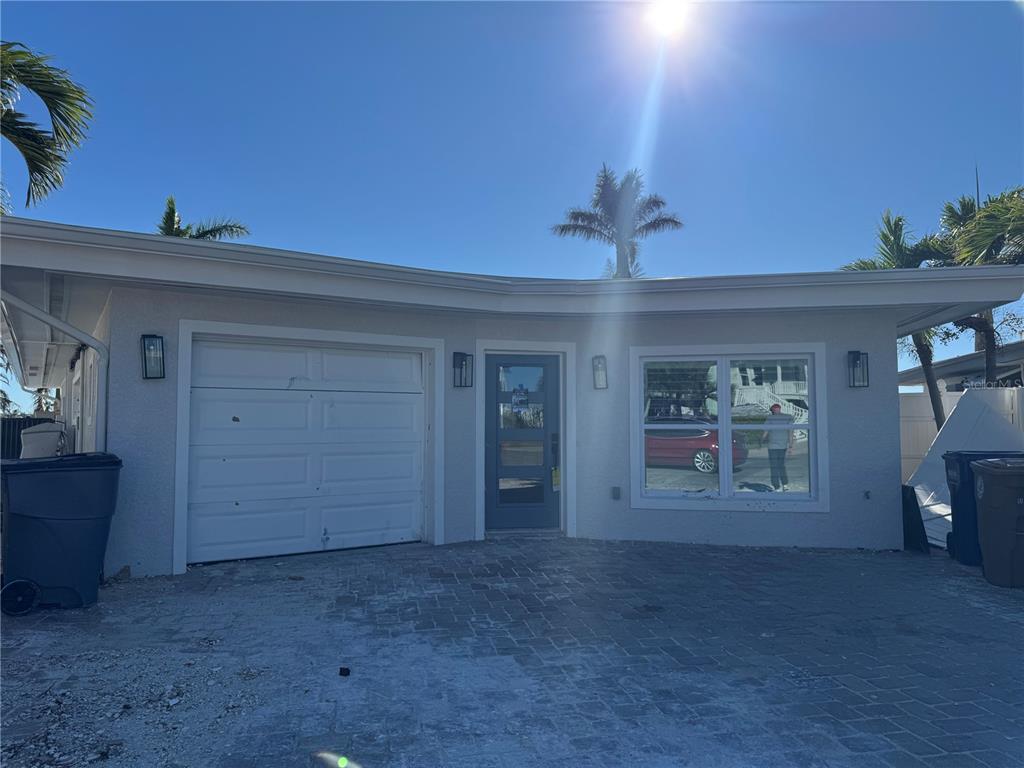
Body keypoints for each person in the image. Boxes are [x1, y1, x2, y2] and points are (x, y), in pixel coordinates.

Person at [763, 403, 793, 491]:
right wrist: (791, 446)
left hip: (775, 446)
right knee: (780, 466)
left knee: (775, 466)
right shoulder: (788, 417)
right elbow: (791, 432)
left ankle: (777, 485)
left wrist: (761, 440)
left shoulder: (771, 418)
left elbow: (766, 431)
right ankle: (784, 484)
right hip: (779, 445)